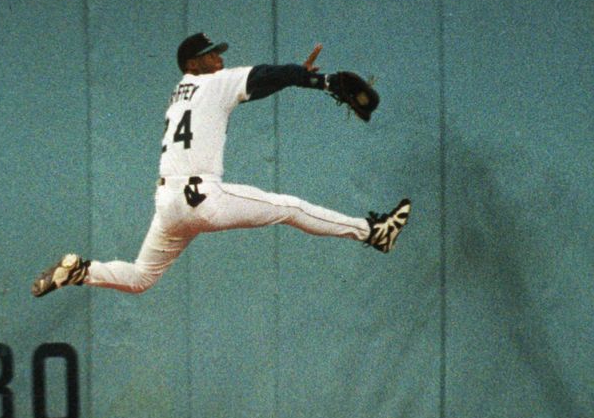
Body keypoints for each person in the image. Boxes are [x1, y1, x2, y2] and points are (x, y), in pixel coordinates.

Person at [31, 33, 410, 297]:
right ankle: (372, 232)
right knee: (290, 208)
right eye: (212, 54)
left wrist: (300, 78)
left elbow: (257, 85)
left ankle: (82, 271)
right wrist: (316, 79)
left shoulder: (179, 95)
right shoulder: (212, 81)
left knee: (141, 277)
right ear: (194, 64)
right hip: (203, 198)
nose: (220, 59)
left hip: (168, 205)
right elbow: (260, 77)